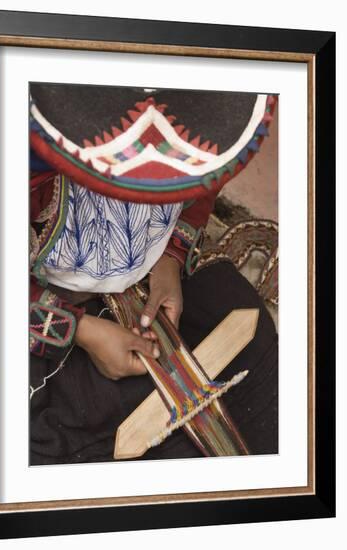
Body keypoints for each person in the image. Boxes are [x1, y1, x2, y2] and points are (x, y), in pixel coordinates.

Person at [29, 84, 278, 464]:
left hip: (153, 268)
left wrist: (170, 260)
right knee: (53, 434)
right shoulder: (11, 153)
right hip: (40, 292)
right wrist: (81, 330)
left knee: (254, 340)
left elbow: (202, 188)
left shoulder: (204, 121)